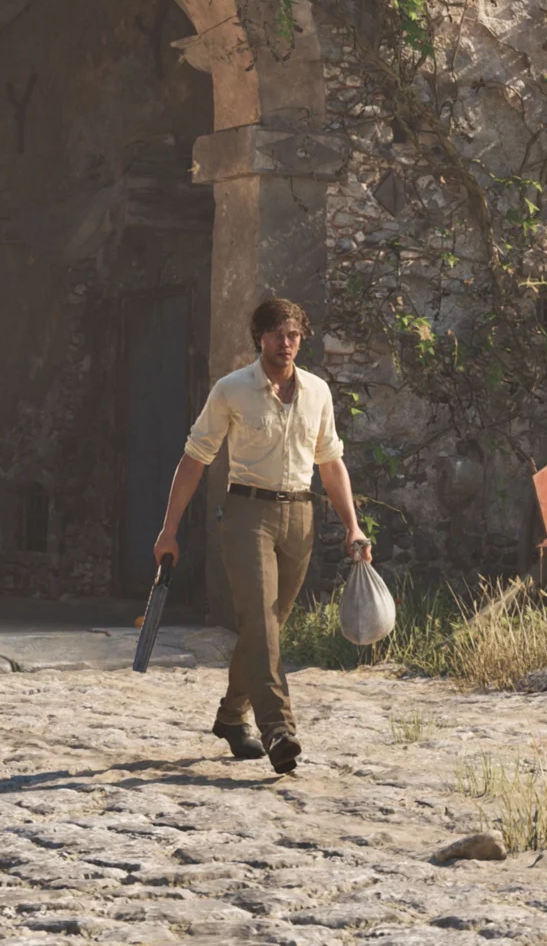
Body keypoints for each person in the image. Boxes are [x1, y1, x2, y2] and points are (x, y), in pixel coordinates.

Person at [150, 298, 371, 775]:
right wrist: (168, 529)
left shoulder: (317, 392)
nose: (285, 343)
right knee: (263, 623)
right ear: (260, 338)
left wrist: (352, 524)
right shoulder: (231, 390)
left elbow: (330, 463)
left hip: (300, 516)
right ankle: (278, 730)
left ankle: (232, 716)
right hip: (247, 514)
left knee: (264, 628)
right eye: (276, 334)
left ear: (301, 338)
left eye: (293, 334)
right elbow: (194, 458)